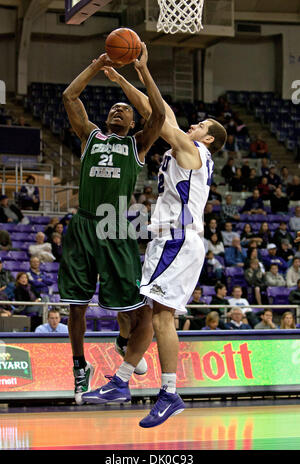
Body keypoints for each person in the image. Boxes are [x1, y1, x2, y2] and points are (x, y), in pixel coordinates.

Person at [82, 52, 227, 428]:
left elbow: (157, 116)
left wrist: (143, 68)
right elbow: (153, 108)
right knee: (145, 311)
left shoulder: (193, 150)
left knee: (159, 317)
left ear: (208, 137)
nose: (193, 124)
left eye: (201, 124)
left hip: (177, 240)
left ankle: (165, 391)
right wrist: (121, 81)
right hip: (169, 241)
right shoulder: (187, 146)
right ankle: (124, 379)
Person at [58, 44, 166, 406]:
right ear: (106, 120)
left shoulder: (137, 144)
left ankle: (124, 342)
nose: (119, 110)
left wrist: (138, 74)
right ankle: (79, 366)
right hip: (85, 225)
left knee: (132, 308)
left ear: (133, 122)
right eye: (114, 108)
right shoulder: (91, 137)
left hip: (117, 226)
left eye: (125, 110)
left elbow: (160, 115)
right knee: (76, 306)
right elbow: (70, 95)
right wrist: (96, 65)